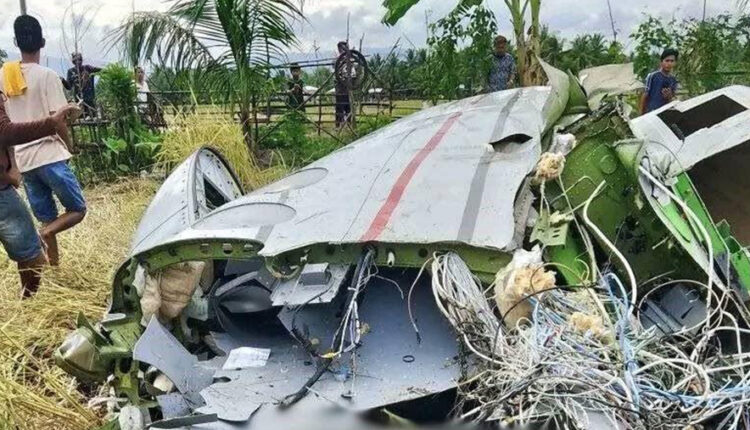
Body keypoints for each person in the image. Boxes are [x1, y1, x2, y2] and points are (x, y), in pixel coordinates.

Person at [1, 15, 87, 267]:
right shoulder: (48, 75)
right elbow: (57, 121)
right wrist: (69, 147)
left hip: (25, 160)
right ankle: (45, 235)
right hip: (50, 155)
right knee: (77, 209)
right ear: (43, 41)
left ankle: (54, 268)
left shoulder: (4, 76)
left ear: (16, 42)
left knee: (47, 218)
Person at [0, 95, 79, 297]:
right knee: (32, 257)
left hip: (24, 164)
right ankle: (28, 302)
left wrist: (13, 168)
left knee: (43, 223)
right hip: (44, 159)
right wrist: (53, 125)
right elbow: (5, 131)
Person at [640, 48, 679, 115]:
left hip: (665, 113)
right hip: (651, 113)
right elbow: (645, 95)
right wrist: (642, 114)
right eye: (667, 61)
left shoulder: (673, 80)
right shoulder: (653, 76)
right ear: (661, 62)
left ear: (675, 63)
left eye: (672, 61)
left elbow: (672, 98)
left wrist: (669, 97)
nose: (669, 63)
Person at [66, 52, 101, 118]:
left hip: (89, 99)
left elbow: (101, 71)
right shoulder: (71, 71)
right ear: (73, 61)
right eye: (76, 60)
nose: (78, 62)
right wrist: (62, 80)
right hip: (78, 100)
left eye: (80, 60)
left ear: (82, 60)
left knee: (92, 117)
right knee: (81, 117)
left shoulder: (87, 68)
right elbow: (69, 87)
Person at [334, 41, 352, 127]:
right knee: (339, 107)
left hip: (347, 87)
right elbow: (337, 70)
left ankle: (349, 124)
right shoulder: (337, 58)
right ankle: (338, 125)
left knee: (348, 107)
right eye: (343, 48)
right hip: (340, 87)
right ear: (339, 49)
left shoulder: (349, 59)